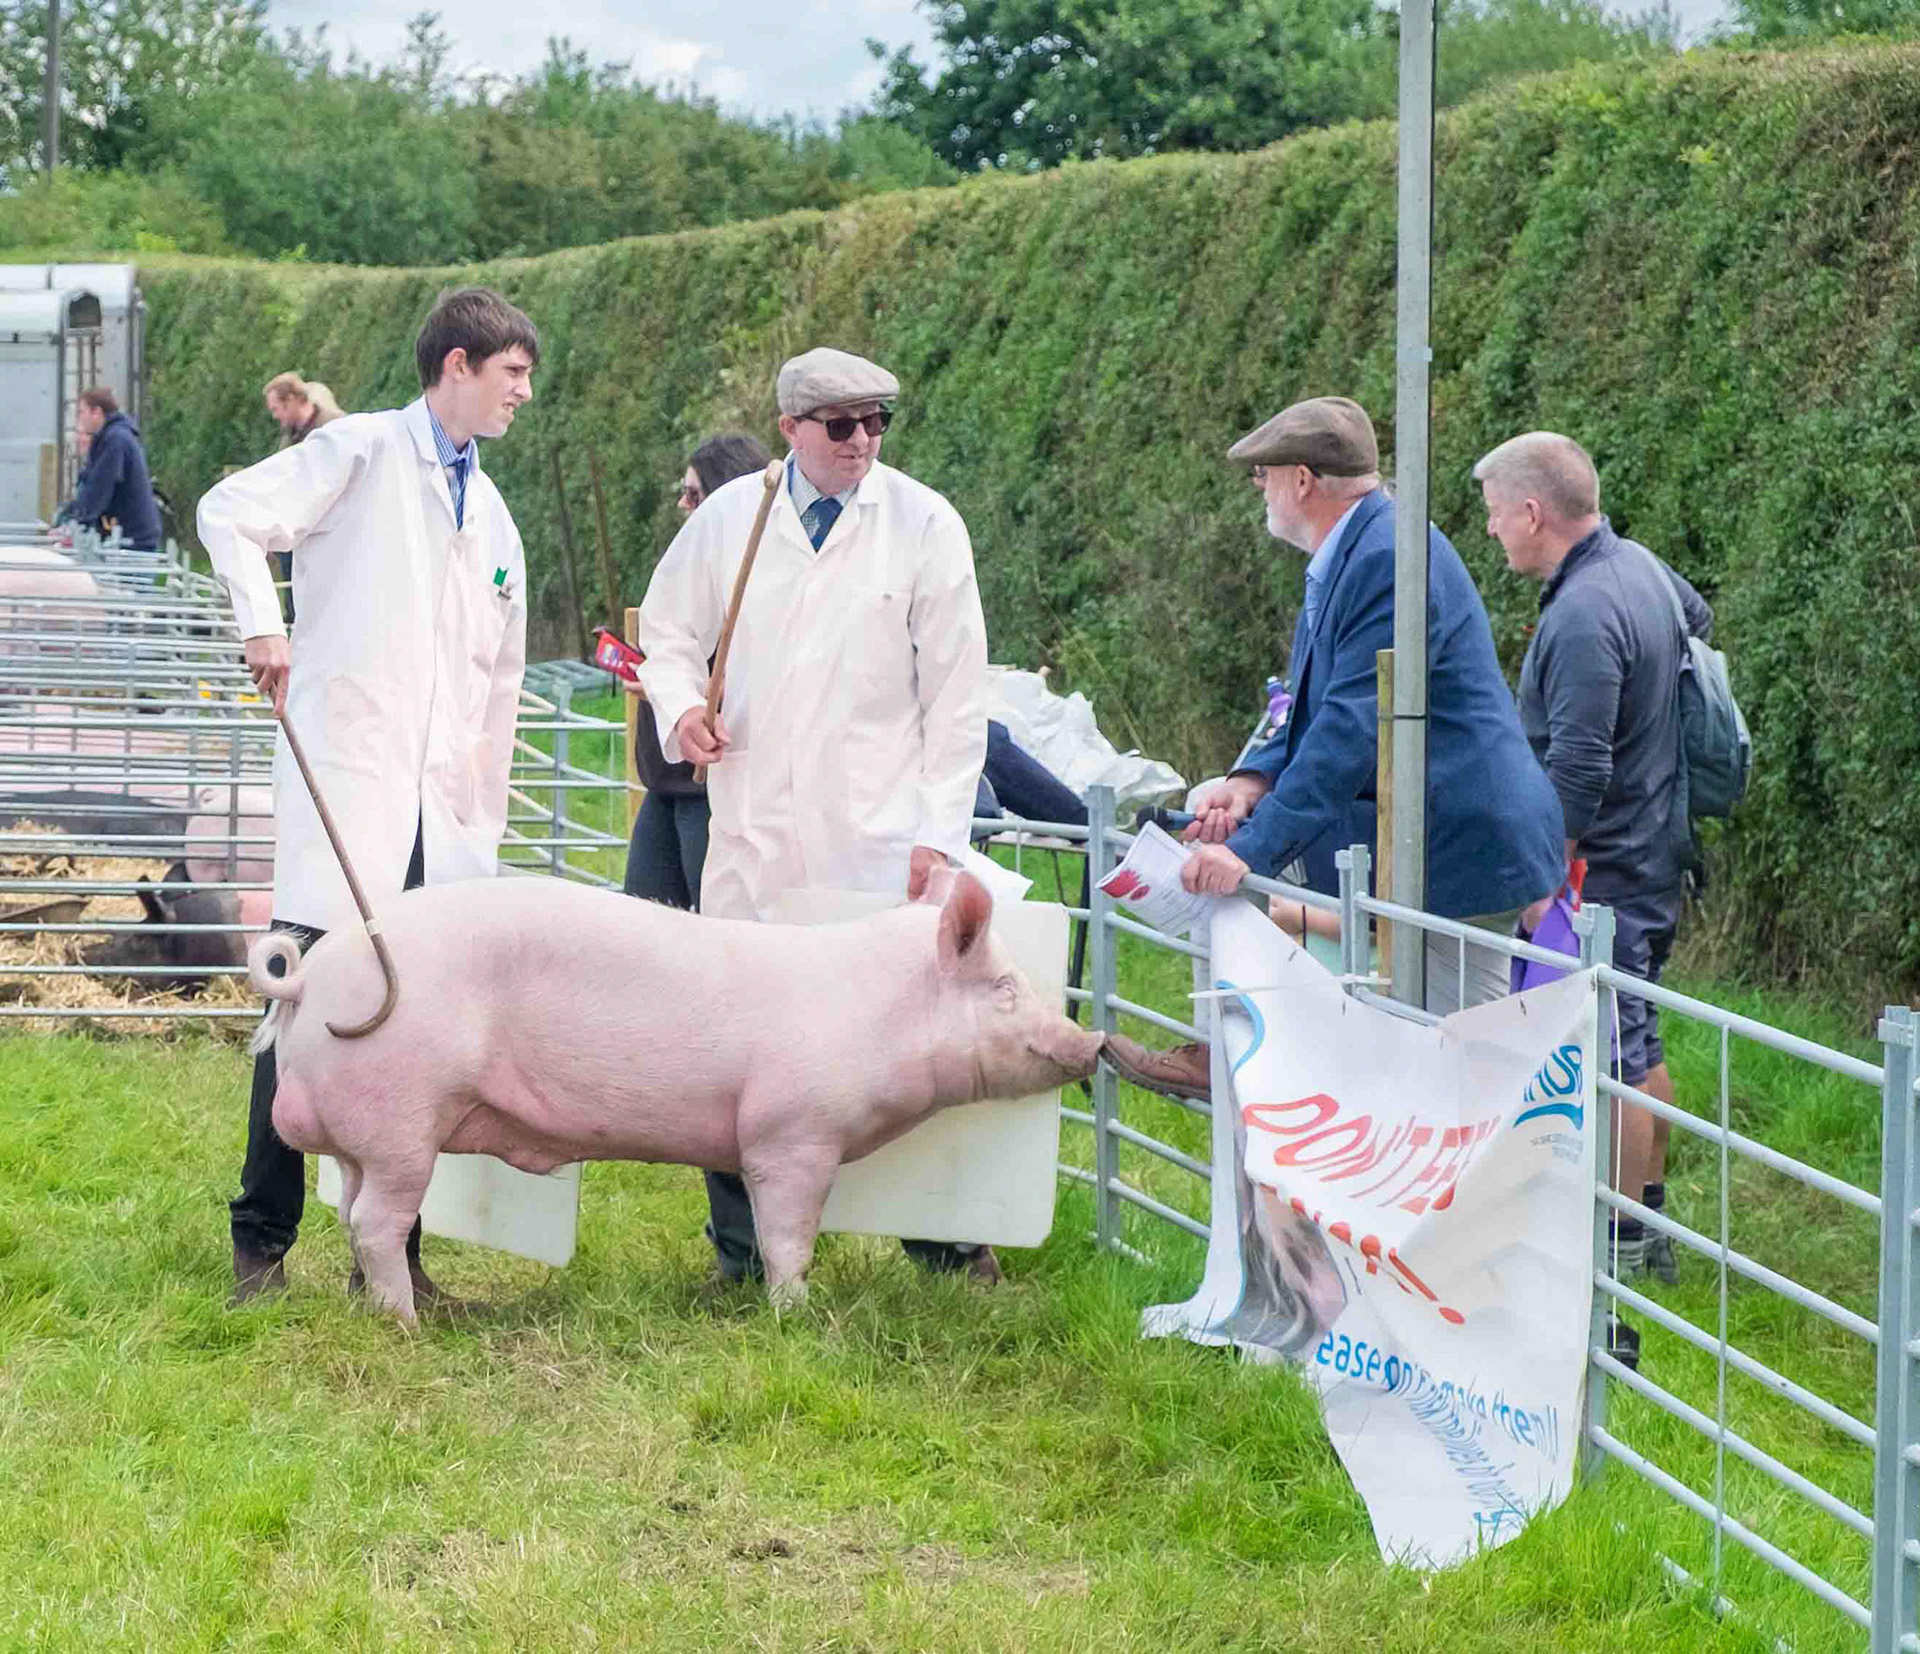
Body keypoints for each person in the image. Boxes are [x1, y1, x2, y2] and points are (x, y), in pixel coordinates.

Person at [200, 287, 539, 1308]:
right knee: (298, 1008)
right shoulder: (359, 453)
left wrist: (483, 810)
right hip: (349, 785)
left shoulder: (494, 516)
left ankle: (390, 1256)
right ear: (456, 366)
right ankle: (261, 1242)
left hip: (440, 814)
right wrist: (263, 625)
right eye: (513, 373)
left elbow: (501, 683)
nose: (524, 392)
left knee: (415, 1037)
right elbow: (229, 511)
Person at [637, 345, 998, 1287]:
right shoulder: (731, 518)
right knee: (735, 1041)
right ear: (790, 427)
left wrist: (940, 834)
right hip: (753, 827)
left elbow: (958, 697)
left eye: (877, 422)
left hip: (876, 833)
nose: (862, 441)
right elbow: (664, 633)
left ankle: (944, 1243)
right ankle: (743, 1253)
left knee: (899, 1044)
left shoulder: (923, 523)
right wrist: (681, 709)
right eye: (841, 425)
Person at [1103, 396, 1564, 1103]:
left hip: (1458, 850)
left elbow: (1352, 725)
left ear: (1302, 480)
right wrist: (1251, 781)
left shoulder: (1383, 559)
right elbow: (1314, 701)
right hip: (1435, 841)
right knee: (1425, 1069)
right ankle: (1245, 1074)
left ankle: (1469, 1184)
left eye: (1263, 475)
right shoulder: (1361, 548)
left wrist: (1249, 849)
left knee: (1458, 1079)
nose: (1259, 489)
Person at [1476, 430, 1712, 1302]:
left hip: (1605, 867)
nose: (1492, 529)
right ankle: (1646, 1226)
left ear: (1534, 511)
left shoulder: (1581, 614)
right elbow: (1697, 623)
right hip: (1654, 843)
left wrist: (1550, 880)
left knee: (1614, 1053)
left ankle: (1618, 1251)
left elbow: (1579, 765)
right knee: (1638, 1035)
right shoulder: (1641, 569)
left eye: (1496, 513)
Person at [621, 434, 773, 911]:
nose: (684, 505)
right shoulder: (690, 564)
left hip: (709, 786)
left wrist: (689, 694)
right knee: (640, 928)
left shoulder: (760, 573)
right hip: (664, 781)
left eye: (694, 494)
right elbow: (668, 638)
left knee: (710, 928)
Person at [68, 387, 163, 570]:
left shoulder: (115, 439)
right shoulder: (111, 437)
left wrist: (77, 522)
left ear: (97, 413)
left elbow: (100, 486)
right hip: (124, 536)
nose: (78, 419)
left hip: (133, 541)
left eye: (81, 412)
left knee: (130, 588)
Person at [263, 372, 348, 447]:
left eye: (275, 409)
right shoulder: (289, 439)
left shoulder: (337, 424)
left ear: (290, 400)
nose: (275, 416)